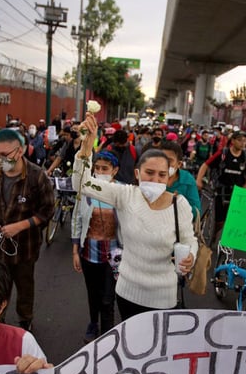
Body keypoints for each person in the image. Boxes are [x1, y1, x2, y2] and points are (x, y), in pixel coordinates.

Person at [74, 113, 197, 321]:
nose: (155, 179)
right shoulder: (125, 195)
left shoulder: (180, 205)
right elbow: (82, 184)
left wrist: (190, 257)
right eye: (149, 173)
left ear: (169, 177)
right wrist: (86, 147)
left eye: (161, 175)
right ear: (138, 173)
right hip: (127, 292)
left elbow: (189, 240)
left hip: (163, 297)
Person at [0, 128, 55, 330]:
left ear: (19, 151)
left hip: (25, 247)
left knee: (24, 286)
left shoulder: (37, 177)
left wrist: (20, 226)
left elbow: (47, 211)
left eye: (4, 155)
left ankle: (24, 321)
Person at [72, 151, 122, 342]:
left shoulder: (121, 191)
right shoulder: (86, 190)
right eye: (97, 168)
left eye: (105, 169)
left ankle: (107, 335)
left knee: (108, 298)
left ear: (114, 171)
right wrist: (75, 250)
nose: (100, 171)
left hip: (114, 255)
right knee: (93, 294)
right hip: (89, 255)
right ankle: (93, 323)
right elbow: (77, 219)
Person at [195, 130, 246, 234]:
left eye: (244, 141)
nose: (242, 143)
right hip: (221, 191)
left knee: (233, 219)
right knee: (220, 221)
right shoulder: (223, 153)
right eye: (240, 140)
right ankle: (215, 237)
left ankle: (227, 241)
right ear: (233, 141)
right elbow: (205, 165)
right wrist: (199, 180)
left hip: (237, 192)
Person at [159, 140, 201, 220]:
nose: (164, 163)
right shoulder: (151, 177)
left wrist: (176, 203)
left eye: (169, 160)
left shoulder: (187, 179)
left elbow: (196, 211)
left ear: (179, 164)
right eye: (161, 159)